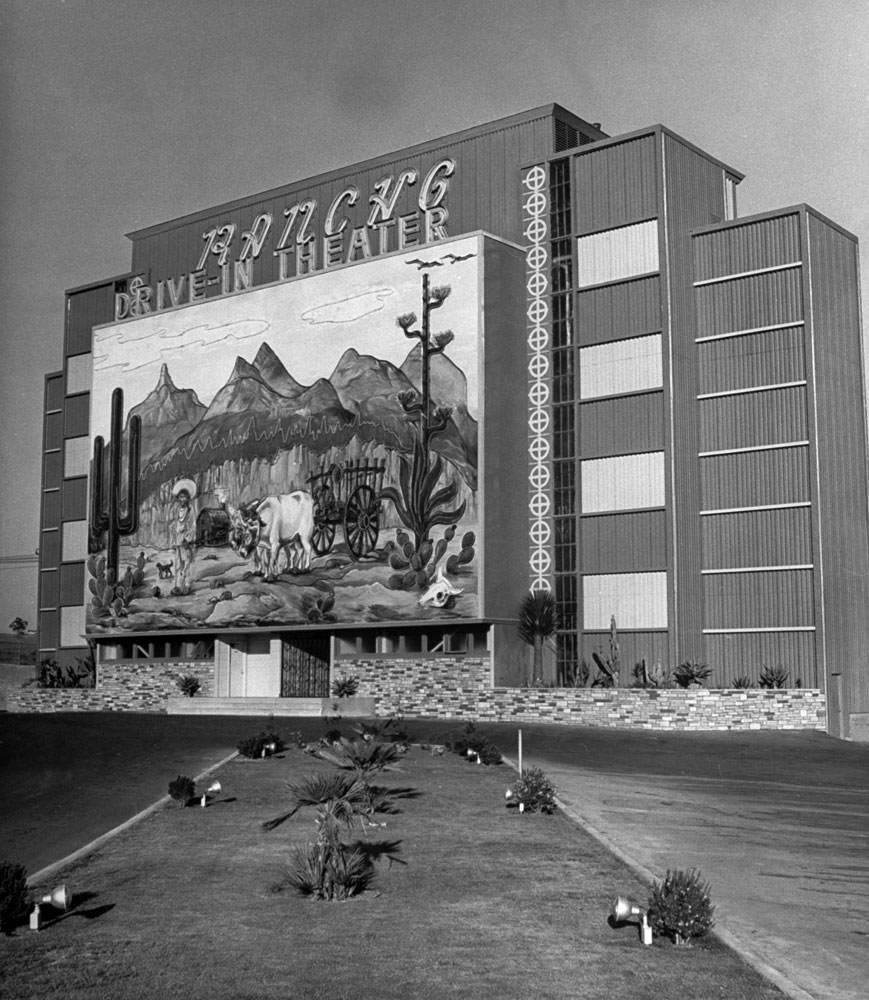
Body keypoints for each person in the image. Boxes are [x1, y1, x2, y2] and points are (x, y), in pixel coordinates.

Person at [171, 478, 198, 593]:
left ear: (188, 498)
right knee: (178, 564)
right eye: (180, 497)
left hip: (186, 541)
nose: (182, 499)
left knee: (187, 562)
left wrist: (188, 539)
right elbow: (176, 526)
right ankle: (178, 585)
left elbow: (192, 526)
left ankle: (187, 585)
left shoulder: (191, 510)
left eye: (184, 497)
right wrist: (174, 541)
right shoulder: (178, 510)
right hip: (178, 540)